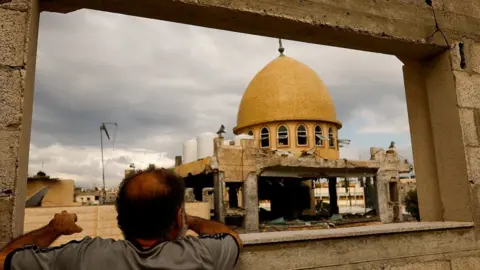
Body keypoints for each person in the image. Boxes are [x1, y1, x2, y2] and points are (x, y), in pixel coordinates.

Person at [0, 168, 242, 270]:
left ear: (120, 220)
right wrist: (190, 220)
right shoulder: (201, 255)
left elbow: (4, 260)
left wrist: (52, 229)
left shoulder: (83, 257)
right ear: (177, 220)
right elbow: (232, 238)